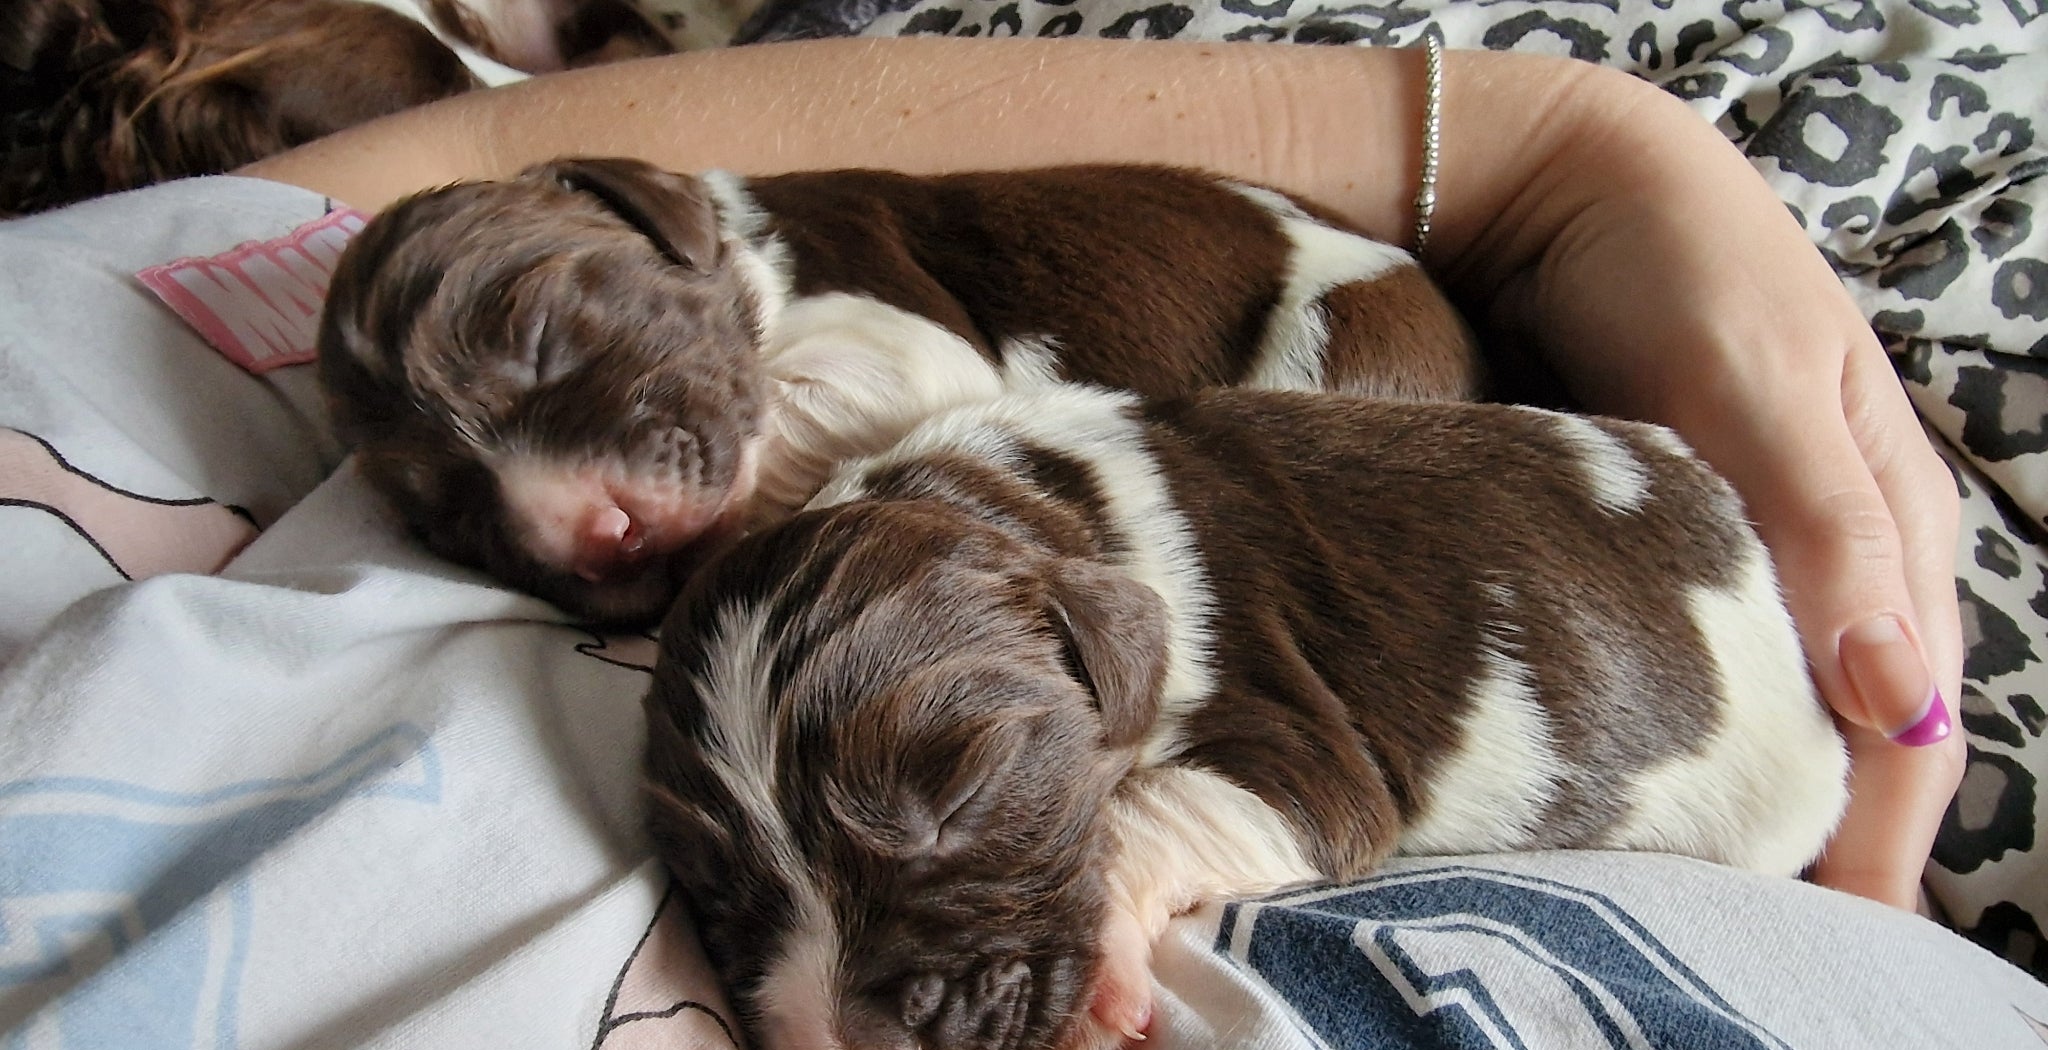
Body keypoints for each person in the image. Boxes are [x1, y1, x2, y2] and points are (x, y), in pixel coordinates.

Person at [240, 36, 1963, 912]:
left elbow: (938, 427)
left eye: (561, 363)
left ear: (662, 214)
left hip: (1321, 343)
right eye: (470, 513)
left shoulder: (816, 306)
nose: (567, 521)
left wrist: (1582, 147)